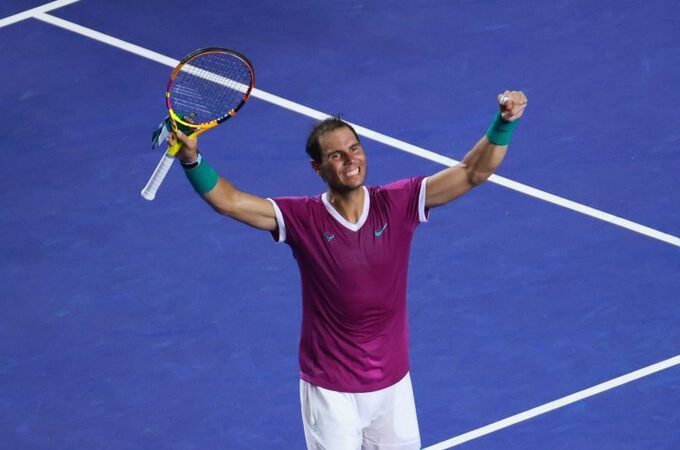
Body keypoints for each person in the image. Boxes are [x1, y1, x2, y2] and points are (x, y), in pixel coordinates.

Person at [169, 90, 528, 450]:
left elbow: (472, 172)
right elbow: (229, 203)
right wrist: (192, 160)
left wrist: (503, 123)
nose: (349, 160)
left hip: (392, 385)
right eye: (336, 155)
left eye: (354, 148)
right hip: (330, 390)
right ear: (317, 167)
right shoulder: (302, 219)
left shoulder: (398, 202)